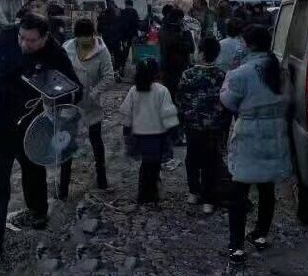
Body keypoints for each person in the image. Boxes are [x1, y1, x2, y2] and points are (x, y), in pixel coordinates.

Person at [0, 14, 82, 261]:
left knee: (33, 169)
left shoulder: (55, 54)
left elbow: (75, 90)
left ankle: (37, 211)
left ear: (44, 38)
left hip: (31, 124)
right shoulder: (5, 36)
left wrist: (56, 98)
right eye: (22, 38)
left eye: (32, 41)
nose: (25, 44)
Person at [220, 26, 291, 264]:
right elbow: (289, 99)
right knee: (266, 188)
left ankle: (236, 247)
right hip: (275, 132)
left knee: (239, 192)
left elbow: (228, 101)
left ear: (248, 44)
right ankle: (260, 235)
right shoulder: (279, 70)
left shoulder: (241, 73)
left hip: (250, 134)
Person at [59, 18, 114, 199]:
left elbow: (109, 77)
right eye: (80, 39)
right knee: (67, 144)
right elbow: (59, 72)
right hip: (70, 104)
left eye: (87, 39)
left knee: (95, 140)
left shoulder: (102, 51)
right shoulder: (67, 48)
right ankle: (63, 188)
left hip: (91, 105)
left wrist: (93, 93)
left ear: (93, 35)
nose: (84, 43)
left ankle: (102, 179)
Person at [177, 37, 227, 214]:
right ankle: (209, 200)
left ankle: (194, 192)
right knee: (210, 162)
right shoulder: (222, 75)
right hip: (214, 126)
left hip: (193, 125)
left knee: (191, 158)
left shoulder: (188, 74)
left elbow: (180, 99)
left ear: (202, 53)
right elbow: (226, 102)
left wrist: (183, 118)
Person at [119, 59, 179, 204]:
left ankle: (144, 194)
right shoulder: (162, 90)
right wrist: (173, 131)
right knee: (154, 164)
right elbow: (168, 114)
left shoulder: (134, 90)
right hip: (157, 136)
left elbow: (126, 112)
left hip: (139, 135)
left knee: (146, 164)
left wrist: (126, 129)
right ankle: (151, 194)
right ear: (156, 73)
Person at [158, 7, 194, 101]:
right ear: (179, 19)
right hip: (179, 67)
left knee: (168, 93)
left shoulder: (162, 30)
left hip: (165, 66)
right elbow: (191, 49)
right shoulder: (184, 32)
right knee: (179, 94)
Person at [97, 0, 123, 76]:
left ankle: (108, 70)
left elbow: (99, 29)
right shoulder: (118, 15)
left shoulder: (103, 15)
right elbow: (121, 28)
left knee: (107, 55)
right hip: (115, 39)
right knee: (117, 55)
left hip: (107, 38)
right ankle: (117, 70)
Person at [119, 0, 140, 75]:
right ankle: (138, 69)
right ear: (132, 5)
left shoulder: (123, 12)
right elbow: (137, 24)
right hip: (133, 36)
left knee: (125, 51)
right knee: (135, 51)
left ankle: (122, 68)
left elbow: (120, 25)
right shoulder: (134, 12)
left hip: (125, 37)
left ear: (126, 4)